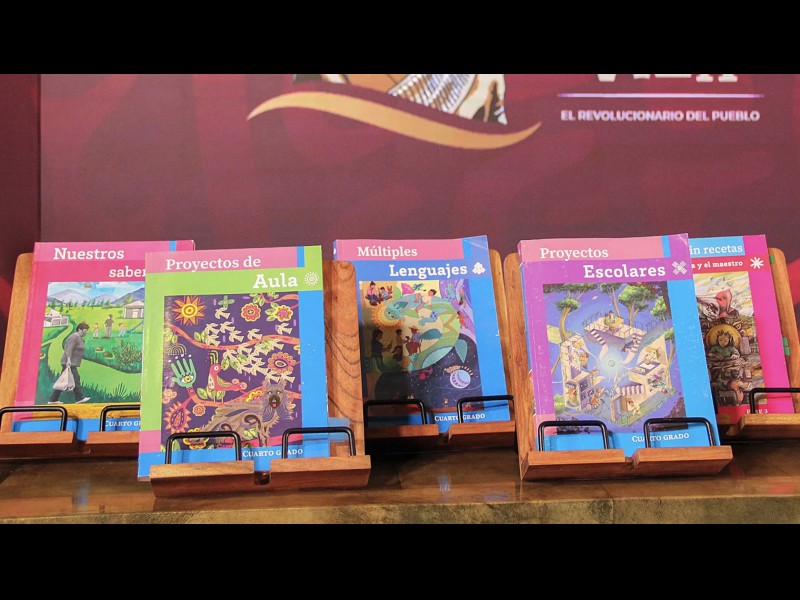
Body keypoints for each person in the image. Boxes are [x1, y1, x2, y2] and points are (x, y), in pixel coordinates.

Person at [48, 322, 91, 404]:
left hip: (71, 363)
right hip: (69, 363)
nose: (86, 332)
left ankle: (53, 399)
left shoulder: (78, 337)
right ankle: (79, 398)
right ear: (79, 329)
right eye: (85, 331)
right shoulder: (74, 337)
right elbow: (69, 348)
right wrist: (68, 360)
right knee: (75, 379)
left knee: (63, 381)